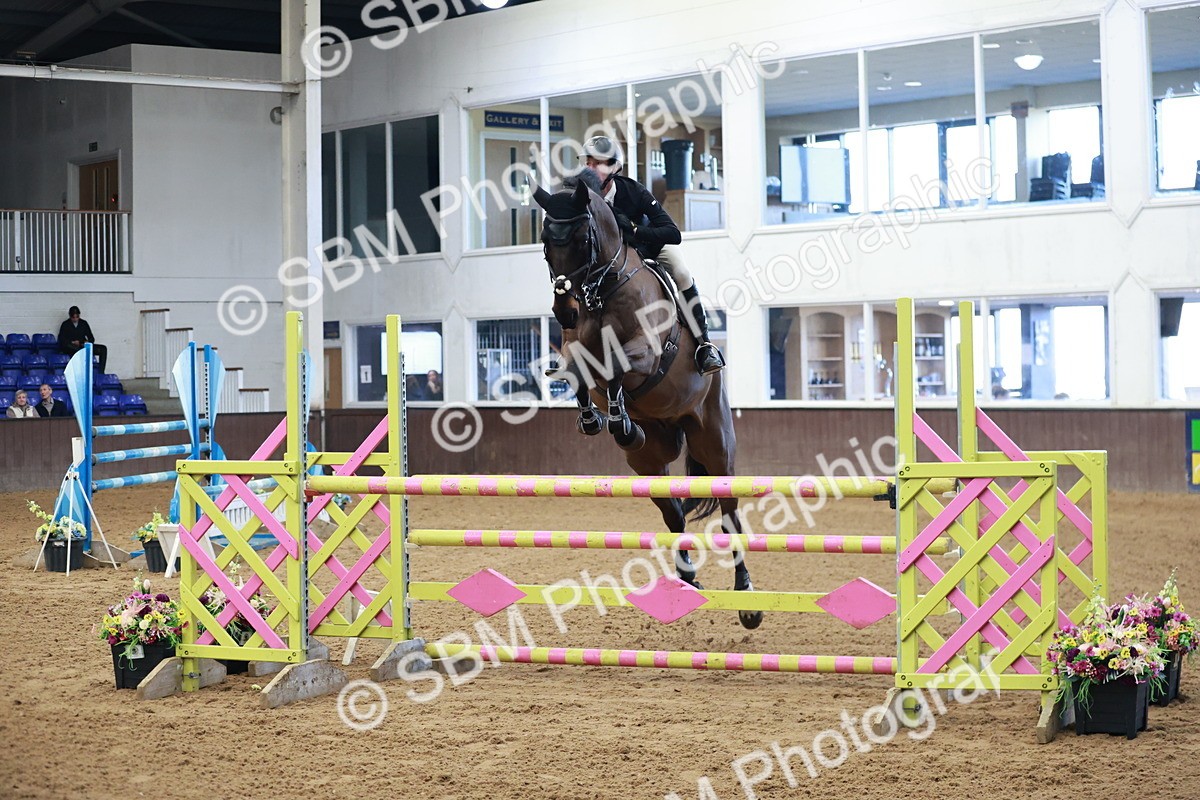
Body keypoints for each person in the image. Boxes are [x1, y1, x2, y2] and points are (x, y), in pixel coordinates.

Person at [578, 135, 725, 375]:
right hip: (610, 261)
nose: (590, 169)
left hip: (650, 247)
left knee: (682, 273)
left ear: (615, 167)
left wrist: (635, 230)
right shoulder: (584, 199)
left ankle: (704, 345)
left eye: (598, 163)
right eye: (588, 163)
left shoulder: (634, 191)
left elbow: (672, 233)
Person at [57, 305, 107, 374]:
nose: (75, 319)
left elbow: (91, 338)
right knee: (69, 346)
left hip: (82, 345)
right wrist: (72, 342)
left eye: (77, 317)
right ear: (70, 316)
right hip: (70, 347)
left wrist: (84, 343)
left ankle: (101, 371)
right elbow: (61, 339)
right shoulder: (65, 324)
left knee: (103, 349)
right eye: (73, 317)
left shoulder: (84, 323)